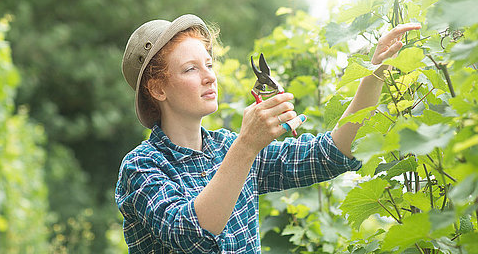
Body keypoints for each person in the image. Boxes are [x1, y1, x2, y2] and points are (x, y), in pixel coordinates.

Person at [115, 14, 421, 253]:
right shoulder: (142, 166)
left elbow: (333, 154)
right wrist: (247, 144)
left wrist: (373, 74)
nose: (210, 76)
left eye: (209, 64)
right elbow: (194, 234)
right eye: (191, 69)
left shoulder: (225, 147)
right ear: (157, 88)